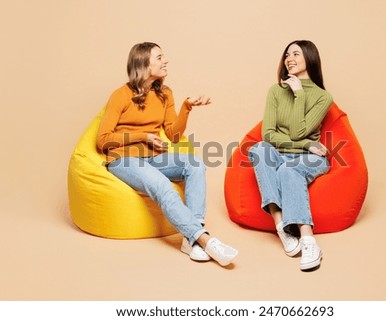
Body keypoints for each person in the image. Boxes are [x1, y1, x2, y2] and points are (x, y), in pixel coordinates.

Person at [96, 42, 238, 266]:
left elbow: (173, 135)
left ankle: (191, 239)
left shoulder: (165, 94)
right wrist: (142, 136)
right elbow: (102, 140)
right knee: (162, 185)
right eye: (159, 57)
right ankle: (205, 240)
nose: (166, 61)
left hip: (153, 158)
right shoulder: (120, 95)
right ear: (143, 63)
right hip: (123, 159)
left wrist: (187, 107)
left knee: (195, 164)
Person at [248, 40, 332, 271]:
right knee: (258, 149)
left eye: (296, 54)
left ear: (309, 58)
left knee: (288, 168)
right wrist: (307, 144)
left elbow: (297, 130)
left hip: (311, 159)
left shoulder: (323, 97)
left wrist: (299, 94)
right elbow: (268, 134)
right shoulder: (276, 91)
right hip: (291, 152)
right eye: (287, 54)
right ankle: (282, 227)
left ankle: (308, 240)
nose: (289, 59)